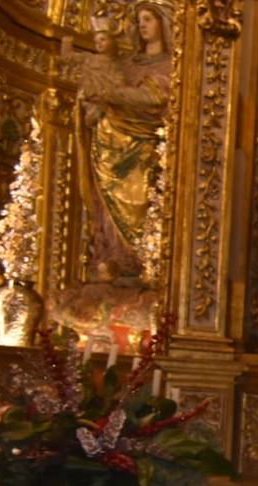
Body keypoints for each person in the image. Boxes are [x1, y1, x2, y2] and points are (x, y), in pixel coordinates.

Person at [70, 2, 172, 279]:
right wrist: (89, 107)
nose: (143, 25)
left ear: (163, 23)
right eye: (139, 20)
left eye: (149, 19)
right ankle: (113, 257)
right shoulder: (124, 65)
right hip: (108, 149)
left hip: (146, 149)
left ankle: (143, 259)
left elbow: (157, 99)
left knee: (145, 200)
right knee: (106, 203)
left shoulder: (172, 65)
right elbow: (99, 96)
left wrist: (114, 97)